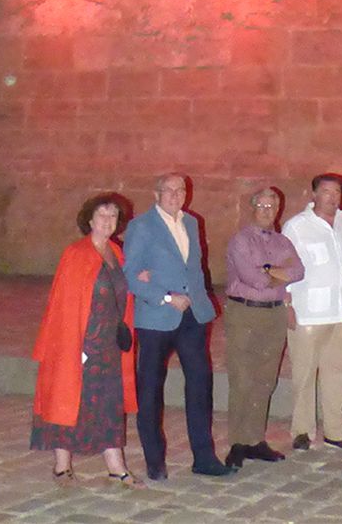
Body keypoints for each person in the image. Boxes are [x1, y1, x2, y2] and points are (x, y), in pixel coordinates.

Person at [122, 173, 235, 480]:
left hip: (192, 316)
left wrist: (200, 298)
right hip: (157, 317)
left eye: (180, 190)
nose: (175, 195)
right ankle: (155, 461)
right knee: (150, 390)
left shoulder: (192, 223)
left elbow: (193, 267)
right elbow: (130, 275)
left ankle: (204, 457)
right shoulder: (141, 226)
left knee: (200, 385)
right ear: (156, 193)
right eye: (168, 190)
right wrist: (166, 296)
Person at [30, 193, 141, 486]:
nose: (107, 220)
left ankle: (116, 467)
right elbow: (64, 306)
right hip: (81, 341)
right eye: (102, 215)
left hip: (109, 345)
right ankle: (61, 466)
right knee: (70, 400)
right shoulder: (76, 253)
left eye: (113, 215)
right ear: (89, 220)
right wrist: (72, 346)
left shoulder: (116, 252)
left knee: (109, 405)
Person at [281, 172, 342, 452]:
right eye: (326, 191)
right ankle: (302, 430)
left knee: (340, 373)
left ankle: (335, 431)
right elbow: (283, 266)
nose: (332, 197)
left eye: (337, 192)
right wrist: (287, 304)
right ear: (314, 194)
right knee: (304, 373)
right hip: (308, 313)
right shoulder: (297, 226)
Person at [222, 185, 304, 468]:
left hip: (274, 314)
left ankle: (255, 439)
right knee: (242, 378)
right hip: (244, 313)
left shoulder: (282, 242)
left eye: (273, 207)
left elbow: (298, 271)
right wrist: (276, 273)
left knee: (265, 379)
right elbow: (253, 278)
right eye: (263, 206)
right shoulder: (241, 240)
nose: (268, 211)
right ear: (253, 208)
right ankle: (238, 442)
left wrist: (268, 271)